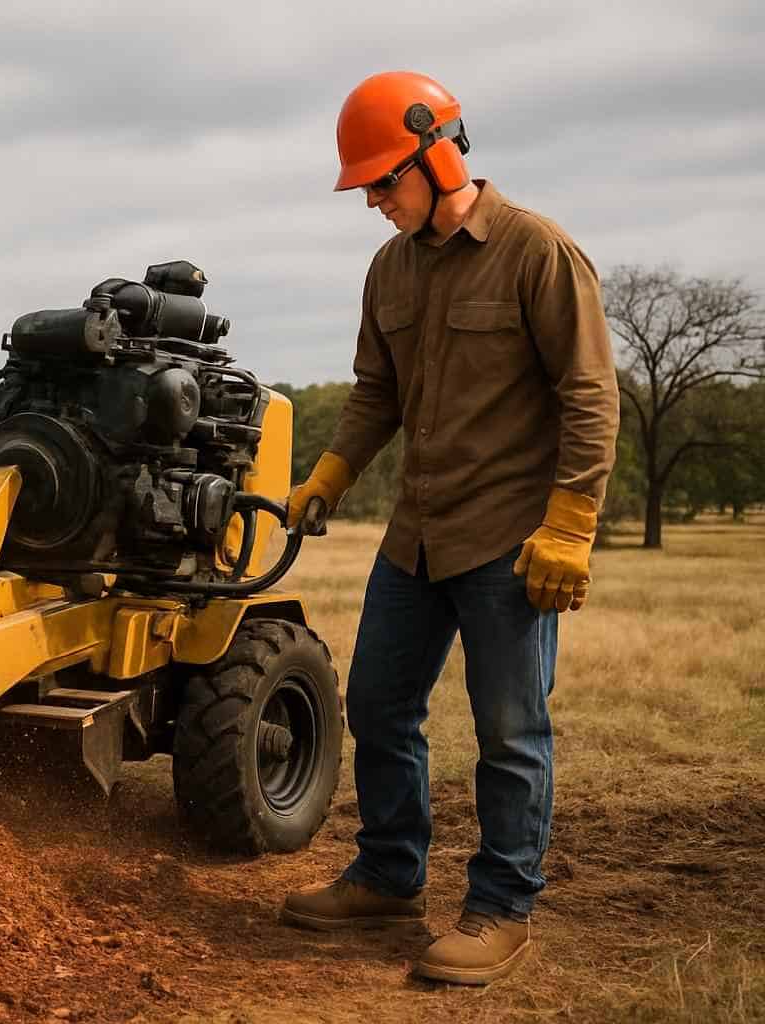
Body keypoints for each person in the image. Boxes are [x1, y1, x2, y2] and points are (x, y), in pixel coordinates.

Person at [279, 71, 619, 985]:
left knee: (510, 730)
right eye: (370, 191)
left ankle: (503, 908)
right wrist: (331, 474)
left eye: (384, 183)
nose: (377, 204)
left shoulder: (536, 253)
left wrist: (571, 522)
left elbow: (590, 396)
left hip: (510, 541)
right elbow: (376, 391)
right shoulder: (389, 269)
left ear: (438, 152)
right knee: (380, 710)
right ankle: (391, 876)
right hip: (414, 535)